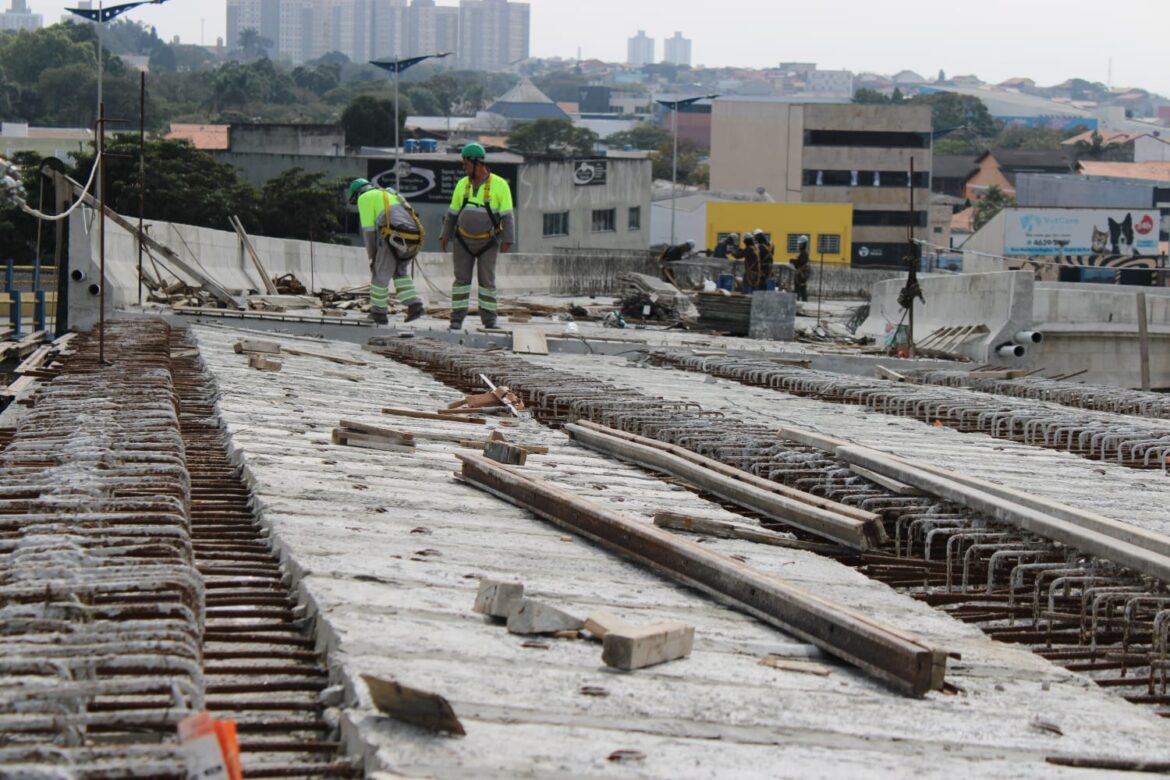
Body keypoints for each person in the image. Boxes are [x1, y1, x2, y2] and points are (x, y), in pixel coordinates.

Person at [439, 142, 515, 330]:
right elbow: (452, 214)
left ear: (476, 163)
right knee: (461, 281)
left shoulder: (500, 185)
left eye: (466, 164)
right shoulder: (461, 185)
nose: (464, 168)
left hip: (488, 242)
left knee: (487, 281)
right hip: (463, 241)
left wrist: (508, 239)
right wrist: (445, 235)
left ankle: (489, 321)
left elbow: (507, 215)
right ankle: (456, 319)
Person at [349, 177, 426, 325]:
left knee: (380, 275)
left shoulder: (364, 198)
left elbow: (369, 232)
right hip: (414, 237)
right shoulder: (390, 194)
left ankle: (379, 313)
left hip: (394, 237)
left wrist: (372, 257)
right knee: (400, 273)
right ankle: (414, 305)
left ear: (357, 193)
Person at [790, 234, 811, 302]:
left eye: (800, 244)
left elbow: (800, 262)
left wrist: (793, 261)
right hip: (801, 273)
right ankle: (799, 301)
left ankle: (801, 301)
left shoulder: (804, 253)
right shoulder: (803, 252)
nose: (799, 245)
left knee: (801, 287)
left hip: (802, 273)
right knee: (800, 288)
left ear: (804, 244)